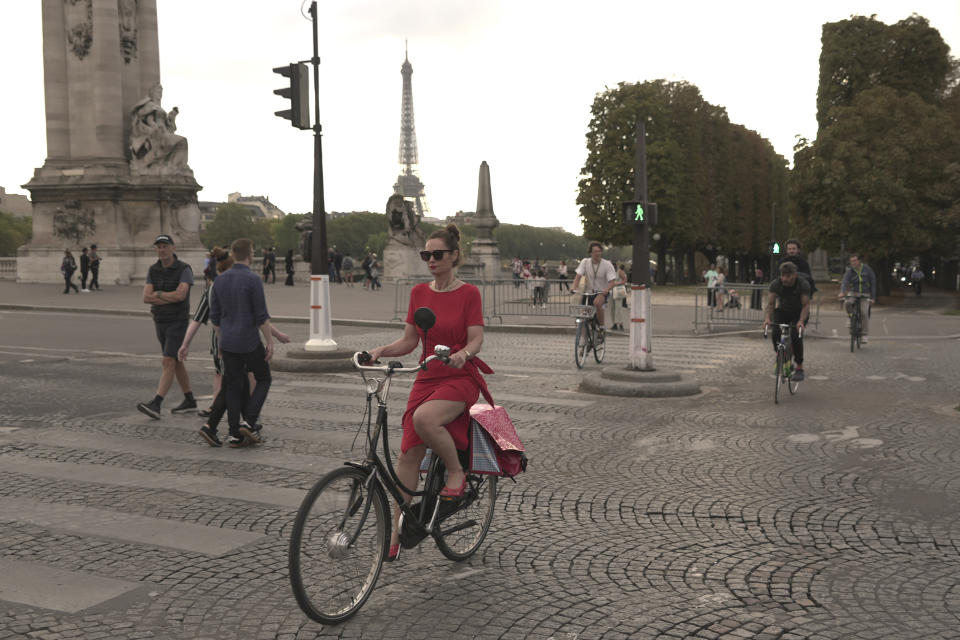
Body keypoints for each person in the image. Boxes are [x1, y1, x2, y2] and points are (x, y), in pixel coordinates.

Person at [365, 223, 490, 562]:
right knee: (407, 455)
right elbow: (409, 341)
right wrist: (380, 351)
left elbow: (476, 337)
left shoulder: (469, 294)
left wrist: (464, 353)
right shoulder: (419, 293)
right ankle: (395, 532)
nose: (430, 260)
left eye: (437, 254)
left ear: (453, 256)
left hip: (459, 376)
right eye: (426, 255)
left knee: (424, 418)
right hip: (426, 376)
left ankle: (455, 472)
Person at [209, 238, 275, 447]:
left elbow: (215, 318)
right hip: (248, 340)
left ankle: (233, 433)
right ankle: (249, 420)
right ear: (250, 254)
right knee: (264, 378)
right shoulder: (253, 280)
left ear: (233, 254)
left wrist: (220, 341)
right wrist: (270, 341)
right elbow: (261, 316)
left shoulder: (219, 280)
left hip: (227, 341)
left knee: (234, 386)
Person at [136, 234, 196, 419]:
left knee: (168, 361)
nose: (162, 249)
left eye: (165, 246)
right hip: (160, 320)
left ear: (173, 248)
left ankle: (156, 403)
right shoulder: (153, 269)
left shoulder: (184, 269)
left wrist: (159, 294)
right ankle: (189, 400)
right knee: (176, 361)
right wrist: (167, 296)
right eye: (159, 246)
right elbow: (146, 297)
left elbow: (180, 296)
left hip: (177, 321)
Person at [763, 261, 810, 381]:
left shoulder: (802, 284)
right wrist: (768, 319)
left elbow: (805, 305)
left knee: (796, 335)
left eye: (788, 276)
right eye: (782, 275)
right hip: (783, 311)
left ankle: (799, 367)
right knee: (775, 332)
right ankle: (780, 354)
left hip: (799, 313)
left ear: (794, 275)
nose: (784, 279)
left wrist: (801, 321)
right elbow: (771, 303)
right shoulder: (776, 284)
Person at [570, 241, 617, 332]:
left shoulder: (607, 264)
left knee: (597, 303)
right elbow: (578, 277)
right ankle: (584, 339)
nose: (597, 253)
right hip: (588, 292)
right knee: (583, 314)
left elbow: (612, 282)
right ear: (590, 253)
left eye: (599, 251)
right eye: (595, 251)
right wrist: (573, 288)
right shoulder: (585, 262)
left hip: (601, 292)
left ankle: (601, 326)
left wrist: (606, 290)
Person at [838, 253, 876, 344]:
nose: (853, 263)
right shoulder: (850, 271)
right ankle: (850, 317)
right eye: (851, 261)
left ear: (859, 261)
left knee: (864, 313)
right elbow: (845, 281)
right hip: (853, 293)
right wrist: (842, 292)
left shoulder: (867, 269)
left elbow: (873, 282)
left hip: (865, 294)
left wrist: (873, 297)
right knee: (847, 303)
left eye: (855, 260)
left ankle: (864, 335)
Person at [609, 263, 629, 331]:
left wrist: (617, 283)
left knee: (618, 307)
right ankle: (614, 323)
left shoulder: (619, 271)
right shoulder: (609, 272)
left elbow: (625, 280)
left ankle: (620, 323)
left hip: (618, 290)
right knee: (612, 308)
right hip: (611, 291)